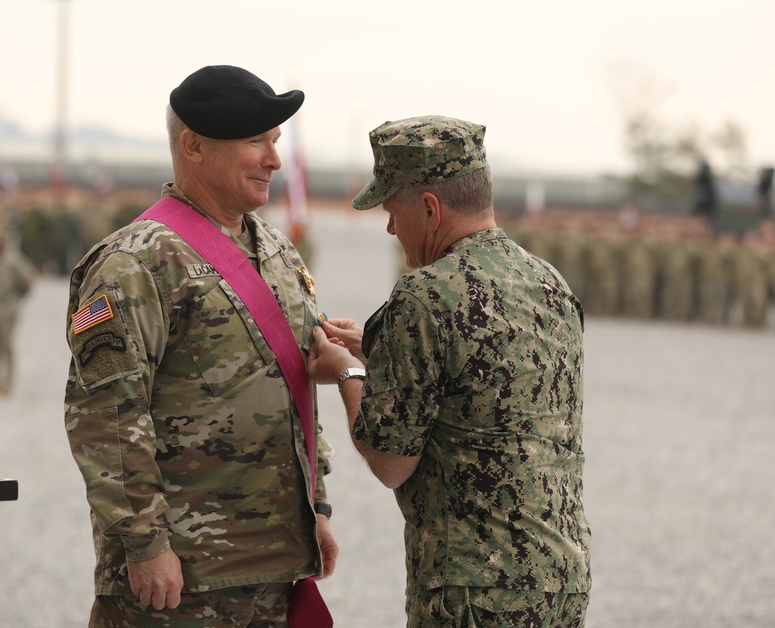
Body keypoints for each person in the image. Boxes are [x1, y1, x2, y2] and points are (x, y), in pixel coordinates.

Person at [63, 65, 337, 627]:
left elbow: (296, 391)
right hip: (182, 581)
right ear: (192, 146)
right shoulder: (134, 264)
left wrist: (318, 507)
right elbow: (106, 416)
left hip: (272, 566)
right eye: (255, 142)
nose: (274, 160)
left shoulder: (280, 255)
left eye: (275, 142)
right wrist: (145, 545)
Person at [307, 116, 591, 628]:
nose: (392, 228)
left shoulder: (424, 295)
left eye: (393, 211)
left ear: (430, 208)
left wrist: (349, 373)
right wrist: (376, 350)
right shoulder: (547, 283)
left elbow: (391, 460)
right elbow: (481, 384)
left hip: (474, 589)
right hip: (561, 575)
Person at [0, 233, 34, 394]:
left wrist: (16, 298)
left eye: (0, 241)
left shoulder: (14, 262)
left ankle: (7, 382)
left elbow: (28, 281)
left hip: (7, 310)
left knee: (6, 346)